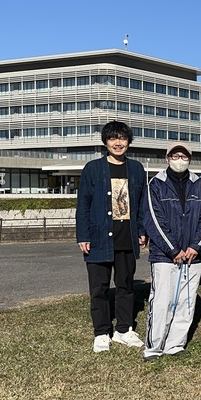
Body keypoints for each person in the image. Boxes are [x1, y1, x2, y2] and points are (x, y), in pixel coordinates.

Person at [76, 120, 147, 353]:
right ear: (105, 141)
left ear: (129, 142)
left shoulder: (136, 169)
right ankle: (101, 332)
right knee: (99, 288)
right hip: (98, 238)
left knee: (126, 286)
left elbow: (141, 204)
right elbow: (83, 204)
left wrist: (142, 230)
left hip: (127, 237)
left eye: (123, 139)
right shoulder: (93, 168)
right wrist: (83, 235)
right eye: (113, 138)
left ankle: (124, 329)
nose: (118, 143)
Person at [142, 144, 201, 360]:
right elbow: (153, 219)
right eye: (175, 155)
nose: (179, 159)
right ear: (167, 158)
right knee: (162, 300)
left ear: (190, 159)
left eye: (184, 156)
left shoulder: (199, 184)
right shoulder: (156, 184)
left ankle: (175, 343)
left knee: (186, 301)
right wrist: (172, 249)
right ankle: (154, 346)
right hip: (165, 256)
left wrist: (195, 247)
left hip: (193, 256)